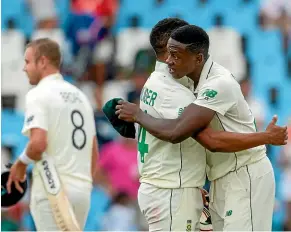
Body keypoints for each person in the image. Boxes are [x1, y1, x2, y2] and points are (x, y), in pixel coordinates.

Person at [116, 24, 288, 231]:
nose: (168, 61)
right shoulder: (187, 81)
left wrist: (138, 115)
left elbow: (187, 134)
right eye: (169, 54)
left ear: (198, 58)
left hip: (245, 174)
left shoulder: (218, 83)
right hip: (220, 178)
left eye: (176, 55)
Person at [6, 38, 98, 231]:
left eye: (28, 62)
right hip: (82, 191)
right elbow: (93, 151)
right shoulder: (81, 97)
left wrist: (20, 164)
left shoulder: (38, 94)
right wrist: (83, 185)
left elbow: (38, 144)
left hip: (53, 190)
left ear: (43, 62)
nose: (24, 68)